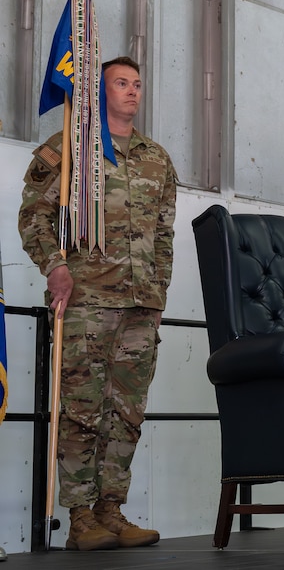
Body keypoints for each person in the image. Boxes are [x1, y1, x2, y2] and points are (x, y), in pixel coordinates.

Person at [19, 56, 177, 551]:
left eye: (137, 83)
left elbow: (165, 234)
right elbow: (33, 216)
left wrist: (159, 294)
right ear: (97, 91)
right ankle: (81, 517)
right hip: (86, 299)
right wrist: (55, 267)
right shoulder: (69, 151)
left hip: (140, 305)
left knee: (126, 412)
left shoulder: (157, 158)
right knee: (83, 409)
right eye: (121, 83)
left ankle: (112, 508)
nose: (132, 91)